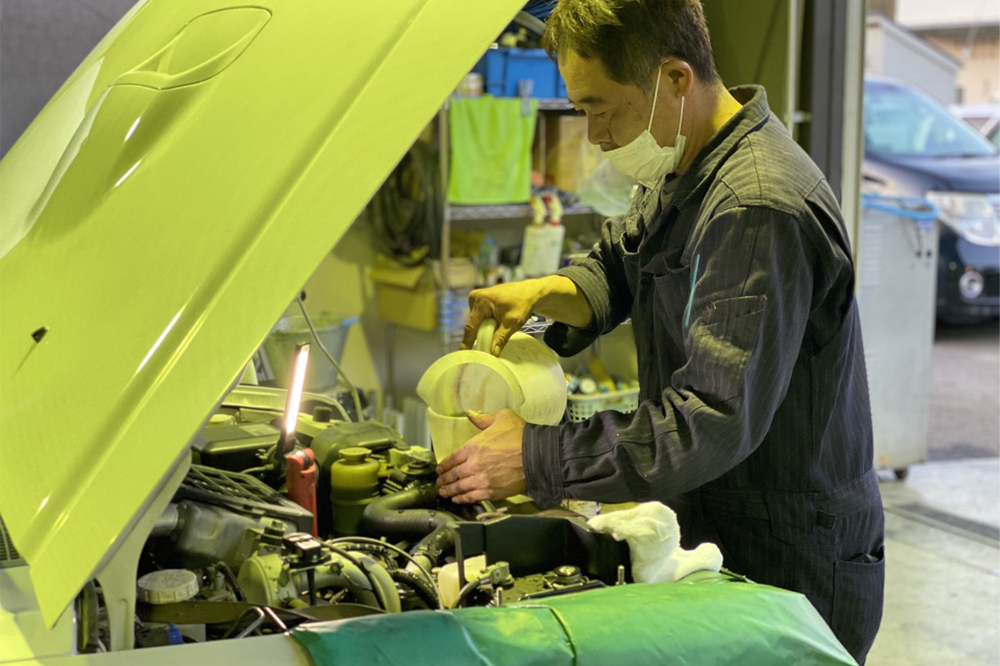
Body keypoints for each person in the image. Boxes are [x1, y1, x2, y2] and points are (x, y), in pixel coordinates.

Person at [435, 0, 884, 662]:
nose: (594, 135)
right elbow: (624, 262)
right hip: (719, 522)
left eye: (601, 109)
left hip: (789, 557)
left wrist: (537, 457)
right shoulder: (686, 162)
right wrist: (546, 294)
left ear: (675, 79)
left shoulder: (755, 206)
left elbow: (706, 422)